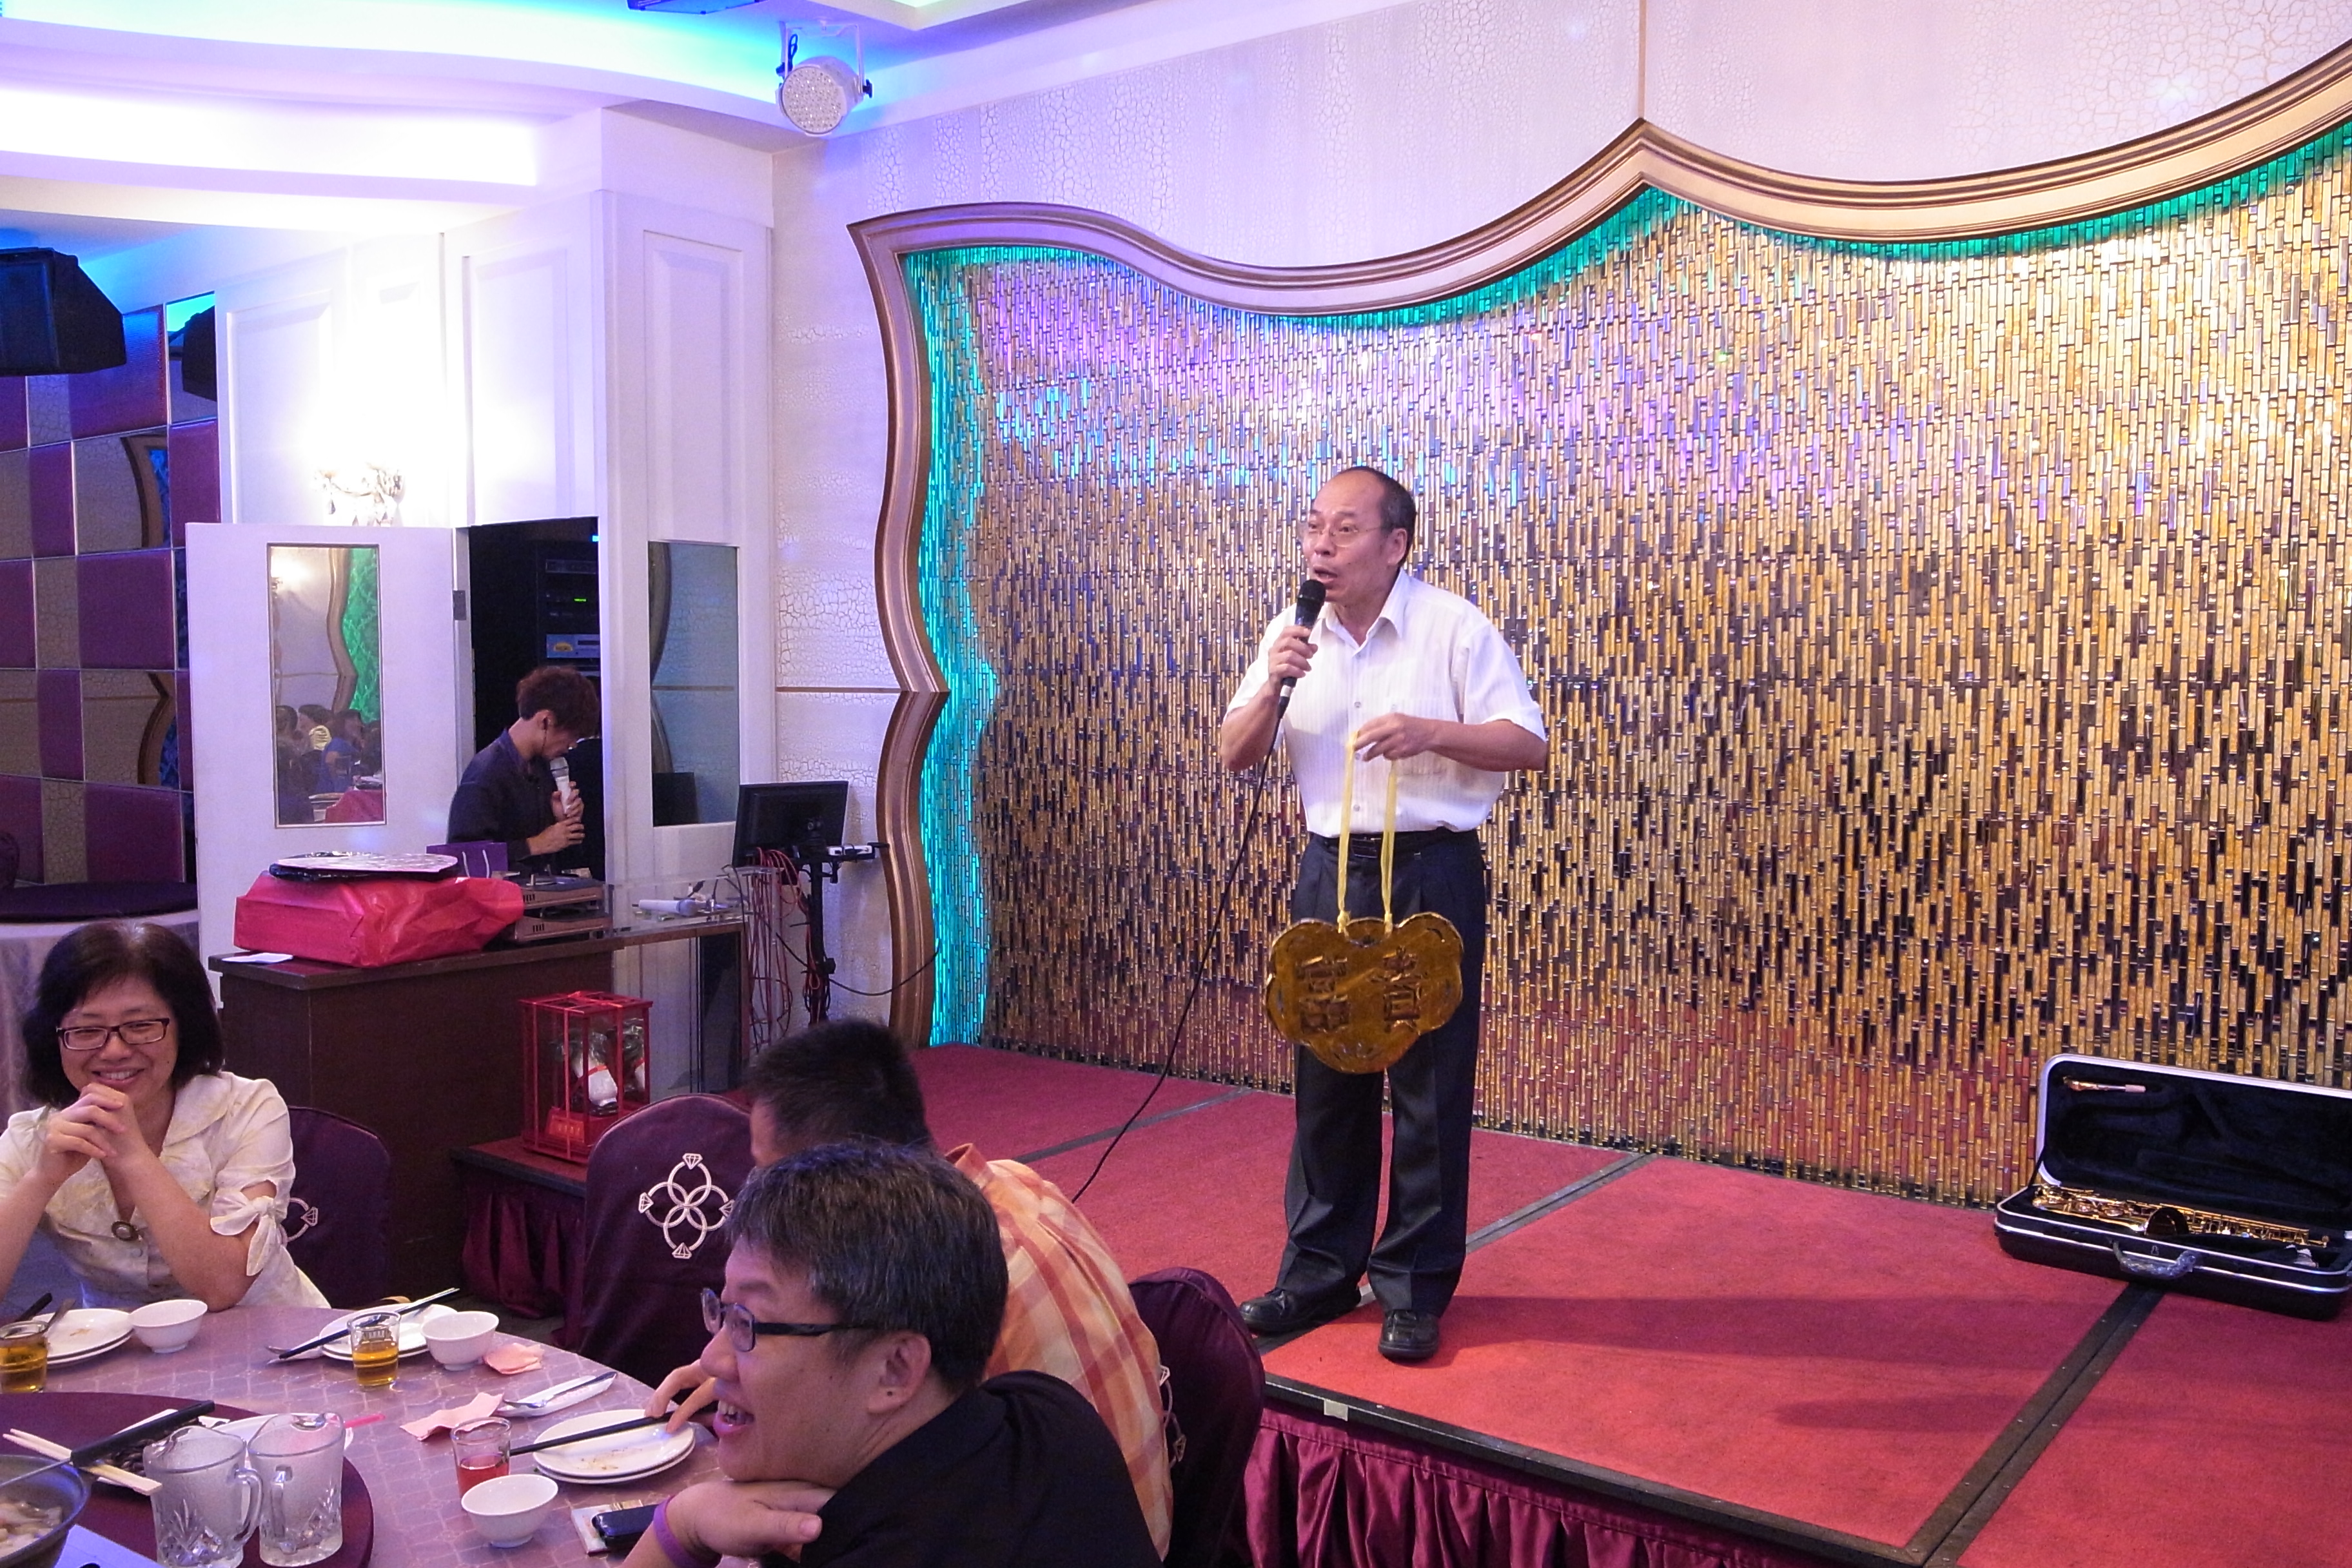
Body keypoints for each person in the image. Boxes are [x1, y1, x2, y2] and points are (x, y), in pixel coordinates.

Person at [1218, 466, 1547, 1363]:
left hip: (1430, 870)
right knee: (1328, 1078)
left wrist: (1431, 730)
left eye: (1344, 529)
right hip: (1329, 873)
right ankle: (1319, 1271)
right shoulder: (1292, 633)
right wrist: (1273, 685)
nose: (1320, 547)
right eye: (1313, 528)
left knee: (1429, 1088)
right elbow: (1235, 753)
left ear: (1395, 544)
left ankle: (1412, 1285)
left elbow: (1528, 743)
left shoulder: (1453, 626)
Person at [643, 1021, 1173, 1557]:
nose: (770, 1195)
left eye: (774, 1173)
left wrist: (680, 1526)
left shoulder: (945, 1290)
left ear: (847, 1180)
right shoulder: (1007, 1194)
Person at [0, 921, 327, 1310]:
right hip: (116, 1346)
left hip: (270, 1335)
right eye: (86, 1030)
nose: (115, 1050)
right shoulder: (33, 1137)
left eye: (141, 1026)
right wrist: (40, 1181)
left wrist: (134, 1157)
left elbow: (223, 1286)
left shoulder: (246, 1109)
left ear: (183, 1027)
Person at [447, 665, 597, 872]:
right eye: (572, 735)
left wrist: (561, 823)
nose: (572, 745)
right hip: (505, 892)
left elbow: (554, 852)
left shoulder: (542, 767)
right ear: (545, 721)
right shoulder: (485, 774)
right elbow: (462, 857)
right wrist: (533, 845)